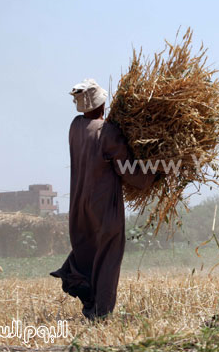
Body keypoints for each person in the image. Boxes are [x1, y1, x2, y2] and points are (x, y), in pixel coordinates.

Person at [50, 79, 158, 320]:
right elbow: (128, 171)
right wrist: (155, 173)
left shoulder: (75, 126)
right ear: (101, 104)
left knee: (87, 251)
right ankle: (100, 313)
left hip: (79, 206)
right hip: (103, 207)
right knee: (108, 257)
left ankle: (79, 285)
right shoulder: (107, 132)